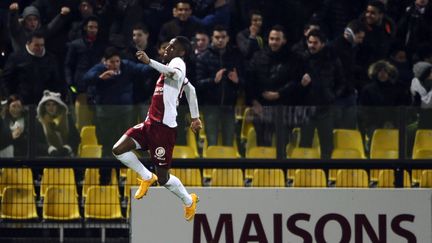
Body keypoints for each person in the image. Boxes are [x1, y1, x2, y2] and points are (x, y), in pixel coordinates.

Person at [112, 36, 202, 221]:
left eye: (171, 47)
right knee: (118, 150)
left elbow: (174, 74)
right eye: (166, 46)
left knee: (164, 179)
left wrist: (149, 61)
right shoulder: (168, 71)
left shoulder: (178, 63)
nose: (166, 49)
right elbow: (190, 90)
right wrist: (195, 117)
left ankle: (188, 200)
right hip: (149, 124)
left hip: (163, 130)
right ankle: (146, 176)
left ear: (181, 52)